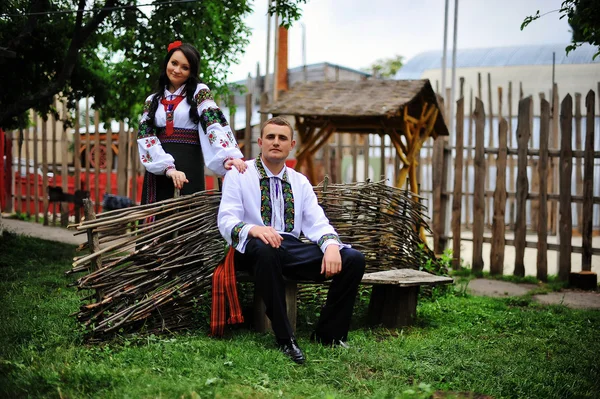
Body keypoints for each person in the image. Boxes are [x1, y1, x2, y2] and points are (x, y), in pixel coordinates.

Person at [217, 117, 365, 364]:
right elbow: (226, 219)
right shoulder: (239, 174)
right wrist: (254, 229)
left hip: (289, 248)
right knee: (266, 249)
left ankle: (329, 335)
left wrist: (330, 245)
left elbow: (317, 221)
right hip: (251, 249)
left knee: (353, 259)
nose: (276, 142)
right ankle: (286, 339)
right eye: (271, 137)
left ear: (292, 144)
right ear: (260, 141)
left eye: (282, 138)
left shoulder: (299, 181)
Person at [137, 40, 246, 206]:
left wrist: (227, 156)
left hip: (189, 163)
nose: (177, 70)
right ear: (167, 62)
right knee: (159, 219)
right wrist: (167, 168)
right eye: (174, 63)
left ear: (191, 72)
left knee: (189, 217)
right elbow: (146, 136)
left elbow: (213, 124)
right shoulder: (152, 100)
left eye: (185, 67)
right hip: (159, 168)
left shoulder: (199, 92)